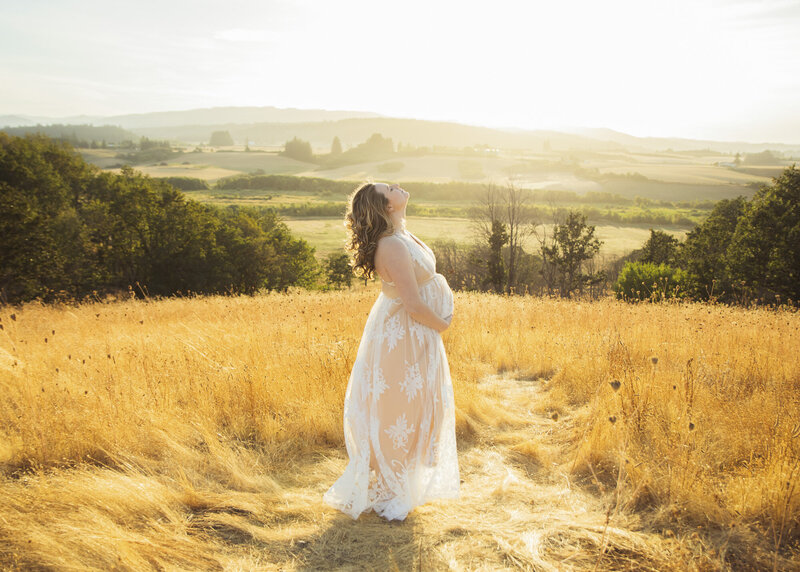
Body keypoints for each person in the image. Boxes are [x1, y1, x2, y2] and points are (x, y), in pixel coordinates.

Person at [323, 182, 460, 521]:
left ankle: (402, 481)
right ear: (386, 206)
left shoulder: (402, 235)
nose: (397, 186)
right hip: (405, 335)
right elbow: (412, 303)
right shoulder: (392, 246)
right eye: (389, 188)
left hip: (416, 334)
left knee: (421, 404)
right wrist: (441, 324)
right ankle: (392, 484)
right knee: (402, 408)